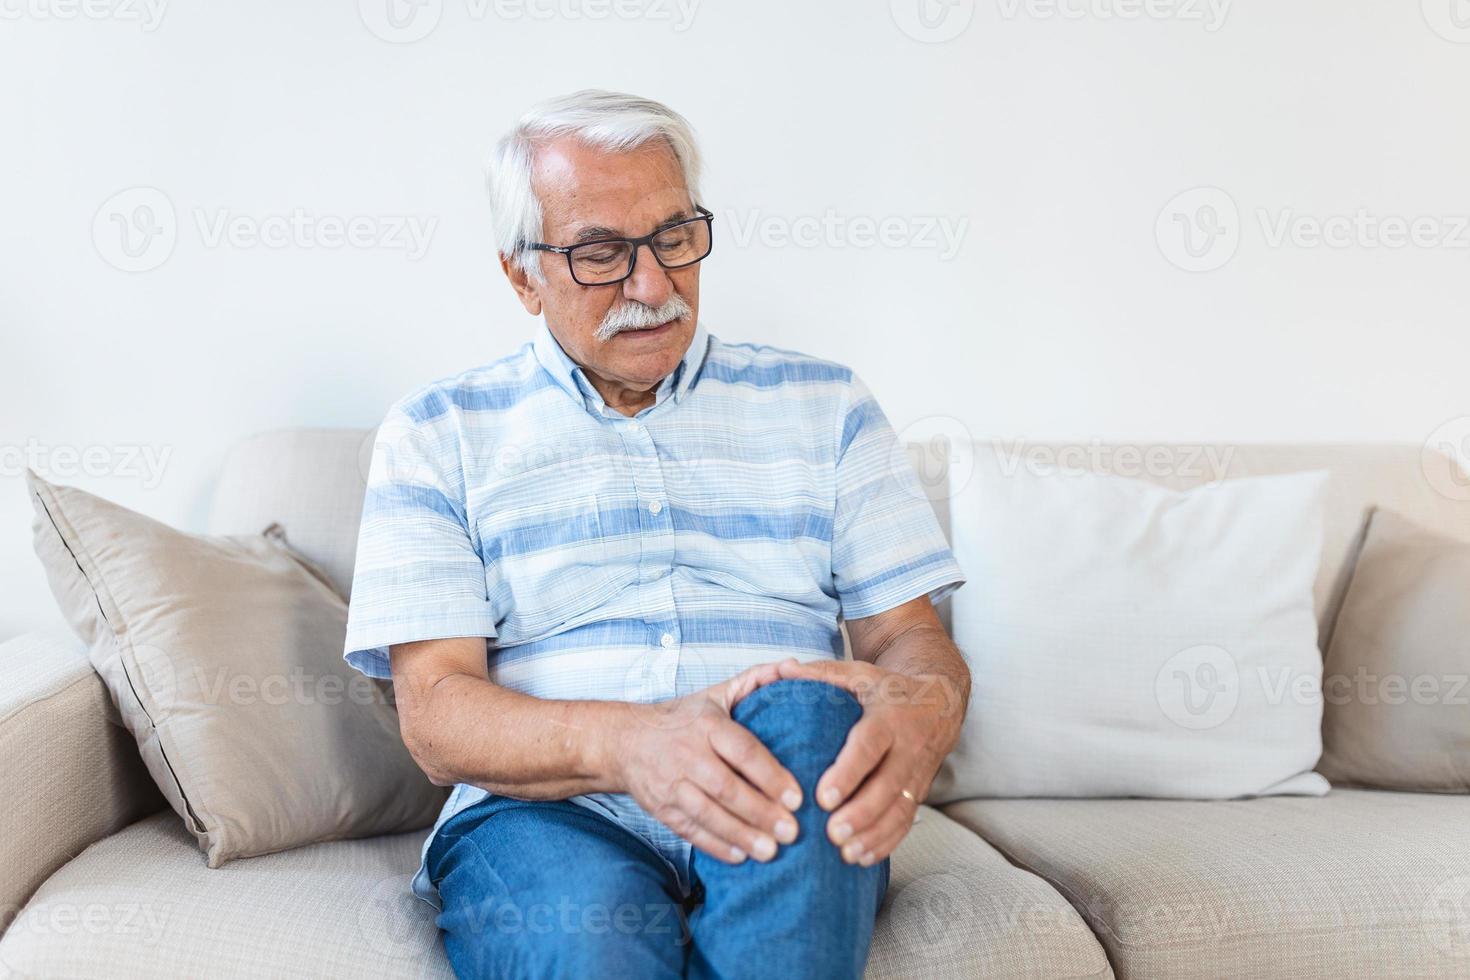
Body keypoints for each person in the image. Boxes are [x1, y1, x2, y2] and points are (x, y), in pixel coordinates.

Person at [344, 89, 970, 979]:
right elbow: (439, 716)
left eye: (674, 238)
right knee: (590, 941)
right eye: (601, 253)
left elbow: (909, 638)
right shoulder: (437, 432)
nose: (653, 285)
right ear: (522, 275)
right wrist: (633, 743)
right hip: (547, 813)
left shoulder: (827, 406)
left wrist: (929, 706)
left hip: (783, 770)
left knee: (804, 707)